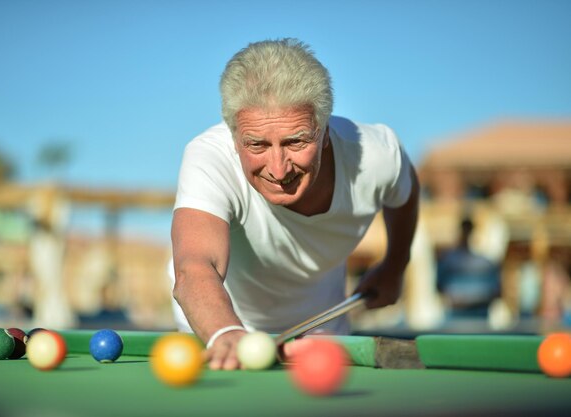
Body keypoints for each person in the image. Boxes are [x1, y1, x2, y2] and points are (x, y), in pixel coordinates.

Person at [170, 38, 419, 370]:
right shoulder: (209, 158)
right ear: (233, 138)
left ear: (325, 132)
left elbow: (405, 190)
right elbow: (196, 268)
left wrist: (395, 264)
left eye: (296, 141)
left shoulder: (375, 155)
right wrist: (226, 332)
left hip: (322, 336)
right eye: (257, 144)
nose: (278, 168)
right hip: (220, 332)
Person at [436, 217, 501, 317]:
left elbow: (495, 292)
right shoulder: (448, 261)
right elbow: (440, 287)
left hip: (480, 316)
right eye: (464, 231)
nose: (466, 235)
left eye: (468, 231)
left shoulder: (486, 263)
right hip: (455, 317)